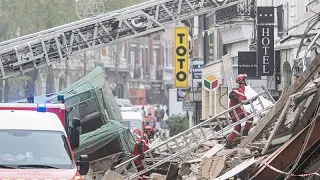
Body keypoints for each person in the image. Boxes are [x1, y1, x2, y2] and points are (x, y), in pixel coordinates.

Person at [224, 74, 255, 149]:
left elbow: (245, 101)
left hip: (239, 110)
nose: (246, 81)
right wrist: (237, 99)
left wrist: (253, 100)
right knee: (237, 127)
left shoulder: (242, 91)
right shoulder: (237, 90)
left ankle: (245, 133)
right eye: (245, 79)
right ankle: (228, 142)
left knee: (250, 117)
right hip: (233, 111)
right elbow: (231, 95)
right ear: (242, 81)